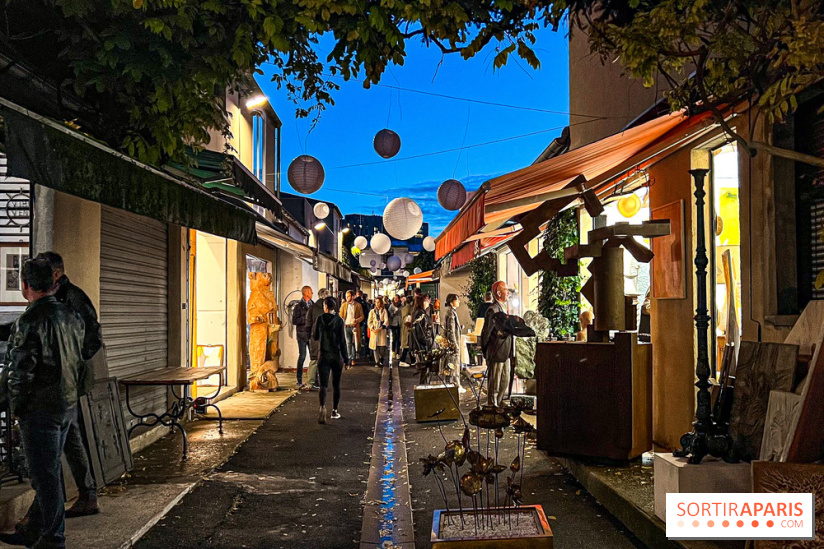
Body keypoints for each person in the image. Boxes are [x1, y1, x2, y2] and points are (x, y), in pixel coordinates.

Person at [3, 258, 86, 549]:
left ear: (25, 286)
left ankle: (53, 539)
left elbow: (20, 372)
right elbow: (81, 361)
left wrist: (17, 409)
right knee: (50, 472)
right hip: (66, 404)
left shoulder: (29, 320)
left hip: (40, 409)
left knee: (45, 477)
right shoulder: (72, 316)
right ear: (53, 283)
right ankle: (34, 530)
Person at [33, 252, 103, 521]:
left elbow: (92, 337)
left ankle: (41, 515)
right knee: (70, 436)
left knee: (56, 442)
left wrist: (71, 361)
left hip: (67, 381)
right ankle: (86, 495)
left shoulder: (72, 297)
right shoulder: (56, 298)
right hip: (64, 381)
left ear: (55, 274)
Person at [313, 296, 349, 423]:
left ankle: (322, 407)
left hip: (323, 354)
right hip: (336, 355)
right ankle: (334, 411)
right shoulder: (339, 321)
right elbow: (342, 341)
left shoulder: (320, 319)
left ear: (326, 307)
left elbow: (315, 336)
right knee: (336, 384)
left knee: (323, 384)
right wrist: (346, 358)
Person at [481, 281, 512, 407]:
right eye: (505, 289)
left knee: (504, 381)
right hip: (496, 352)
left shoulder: (505, 308)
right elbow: (486, 332)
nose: (508, 292)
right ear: (498, 293)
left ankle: (499, 406)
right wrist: (486, 350)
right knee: (495, 384)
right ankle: (492, 408)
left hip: (506, 352)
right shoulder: (492, 310)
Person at [305, 288, 330, 390]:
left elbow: (308, 322)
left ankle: (311, 382)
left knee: (314, 359)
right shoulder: (329, 308)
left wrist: (309, 336)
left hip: (314, 337)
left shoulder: (312, 307)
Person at [291, 286, 313, 388]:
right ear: (306, 293)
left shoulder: (313, 305)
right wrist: (306, 319)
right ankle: (299, 379)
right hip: (302, 335)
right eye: (310, 291)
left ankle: (314, 379)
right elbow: (295, 320)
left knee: (314, 357)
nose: (312, 293)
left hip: (312, 335)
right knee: (302, 356)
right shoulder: (298, 306)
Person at [442, 293, 464, 392]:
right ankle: (455, 385)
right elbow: (450, 330)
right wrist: (454, 344)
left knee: (452, 364)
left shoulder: (451, 312)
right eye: (457, 300)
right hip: (453, 344)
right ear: (451, 302)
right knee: (453, 365)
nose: (458, 302)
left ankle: (454, 384)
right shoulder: (451, 313)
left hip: (452, 343)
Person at [339, 291, 364, 369]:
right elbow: (340, 315)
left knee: (354, 343)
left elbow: (362, 316)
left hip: (354, 326)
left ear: (353, 297)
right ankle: (349, 359)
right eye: (346, 296)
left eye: (349, 296)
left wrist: (356, 320)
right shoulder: (344, 305)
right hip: (346, 326)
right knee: (348, 343)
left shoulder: (358, 305)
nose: (347, 298)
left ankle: (353, 358)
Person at [410, 294, 434, 360]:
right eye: (426, 301)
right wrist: (429, 341)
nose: (428, 302)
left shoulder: (416, 312)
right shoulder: (421, 314)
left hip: (418, 344)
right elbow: (421, 331)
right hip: (422, 345)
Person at [368, 297, 389, 367]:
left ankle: (381, 358)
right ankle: (377, 361)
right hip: (374, 331)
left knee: (382, 347)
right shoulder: (372, 311)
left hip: (382, 331)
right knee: (375, 347)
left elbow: (386, 321)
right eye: (376, 302)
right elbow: (369, 322)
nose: (377, 304)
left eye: (379, 302)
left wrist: (381, 327)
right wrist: (372, 328)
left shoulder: (384, 311)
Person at [400, 295, 414, 364]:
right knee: (407, 344)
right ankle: (402, 360)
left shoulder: (405, 308)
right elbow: (406, 319)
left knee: (408, 345)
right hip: (407, 328)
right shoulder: (408, 308)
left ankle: (412, 360)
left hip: (406, 328)